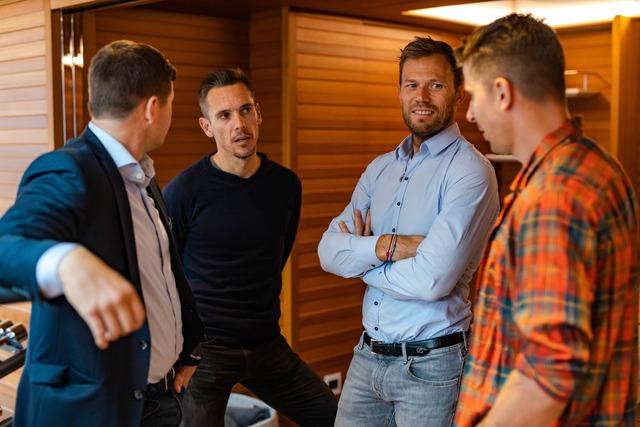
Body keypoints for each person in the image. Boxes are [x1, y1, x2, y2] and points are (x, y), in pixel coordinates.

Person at [0, 40, 205, 427]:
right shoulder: (67, 170)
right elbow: (5, 247)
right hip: (92, 413)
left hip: (159, 399)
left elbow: (160, 277)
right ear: (152, 108)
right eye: (172, 103)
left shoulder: (142, 176)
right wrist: (65, 262)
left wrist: (185, 349)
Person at [453, 14, 639, 426]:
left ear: (502, 92)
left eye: (474, 96)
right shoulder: (599, 166)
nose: (471, 115)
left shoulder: (552, 197)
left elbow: (548, 373)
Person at [317, 36, 500, 426]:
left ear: (458, 93)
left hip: (432, 367)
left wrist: (362, 260)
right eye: (411, 84)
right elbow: (328, 252)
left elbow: (432, 280)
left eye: (435, 85)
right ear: (399, 91)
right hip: (366, 357)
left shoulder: (470, 172)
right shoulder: (379, 169)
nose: (422, 96)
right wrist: (387, 246)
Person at [163, 68, 337, 427]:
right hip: (205, 352)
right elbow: (165, 273)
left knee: (336, 418)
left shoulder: (286, 186)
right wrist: (180, 355)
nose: (238, 124)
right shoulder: (183, 191)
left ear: (258, 113)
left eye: (245, 110)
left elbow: (277, 254)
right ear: (206, 126)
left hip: (266, 342)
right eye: (224, 115)